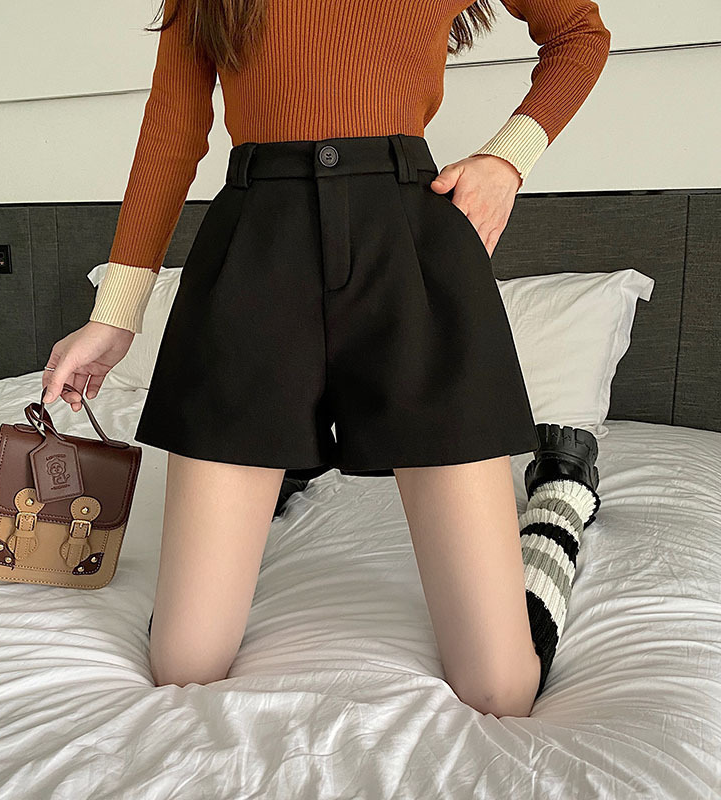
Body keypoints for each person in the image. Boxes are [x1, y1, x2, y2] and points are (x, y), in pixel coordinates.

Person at [42, 0, 611, 716]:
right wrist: (115, 314)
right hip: (256, 260)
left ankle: (559, 499)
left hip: (407, 257)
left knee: (500, 689)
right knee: (184, 665)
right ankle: (285, 463)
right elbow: (174, 122)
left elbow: (579, 33)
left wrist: (507, 159)